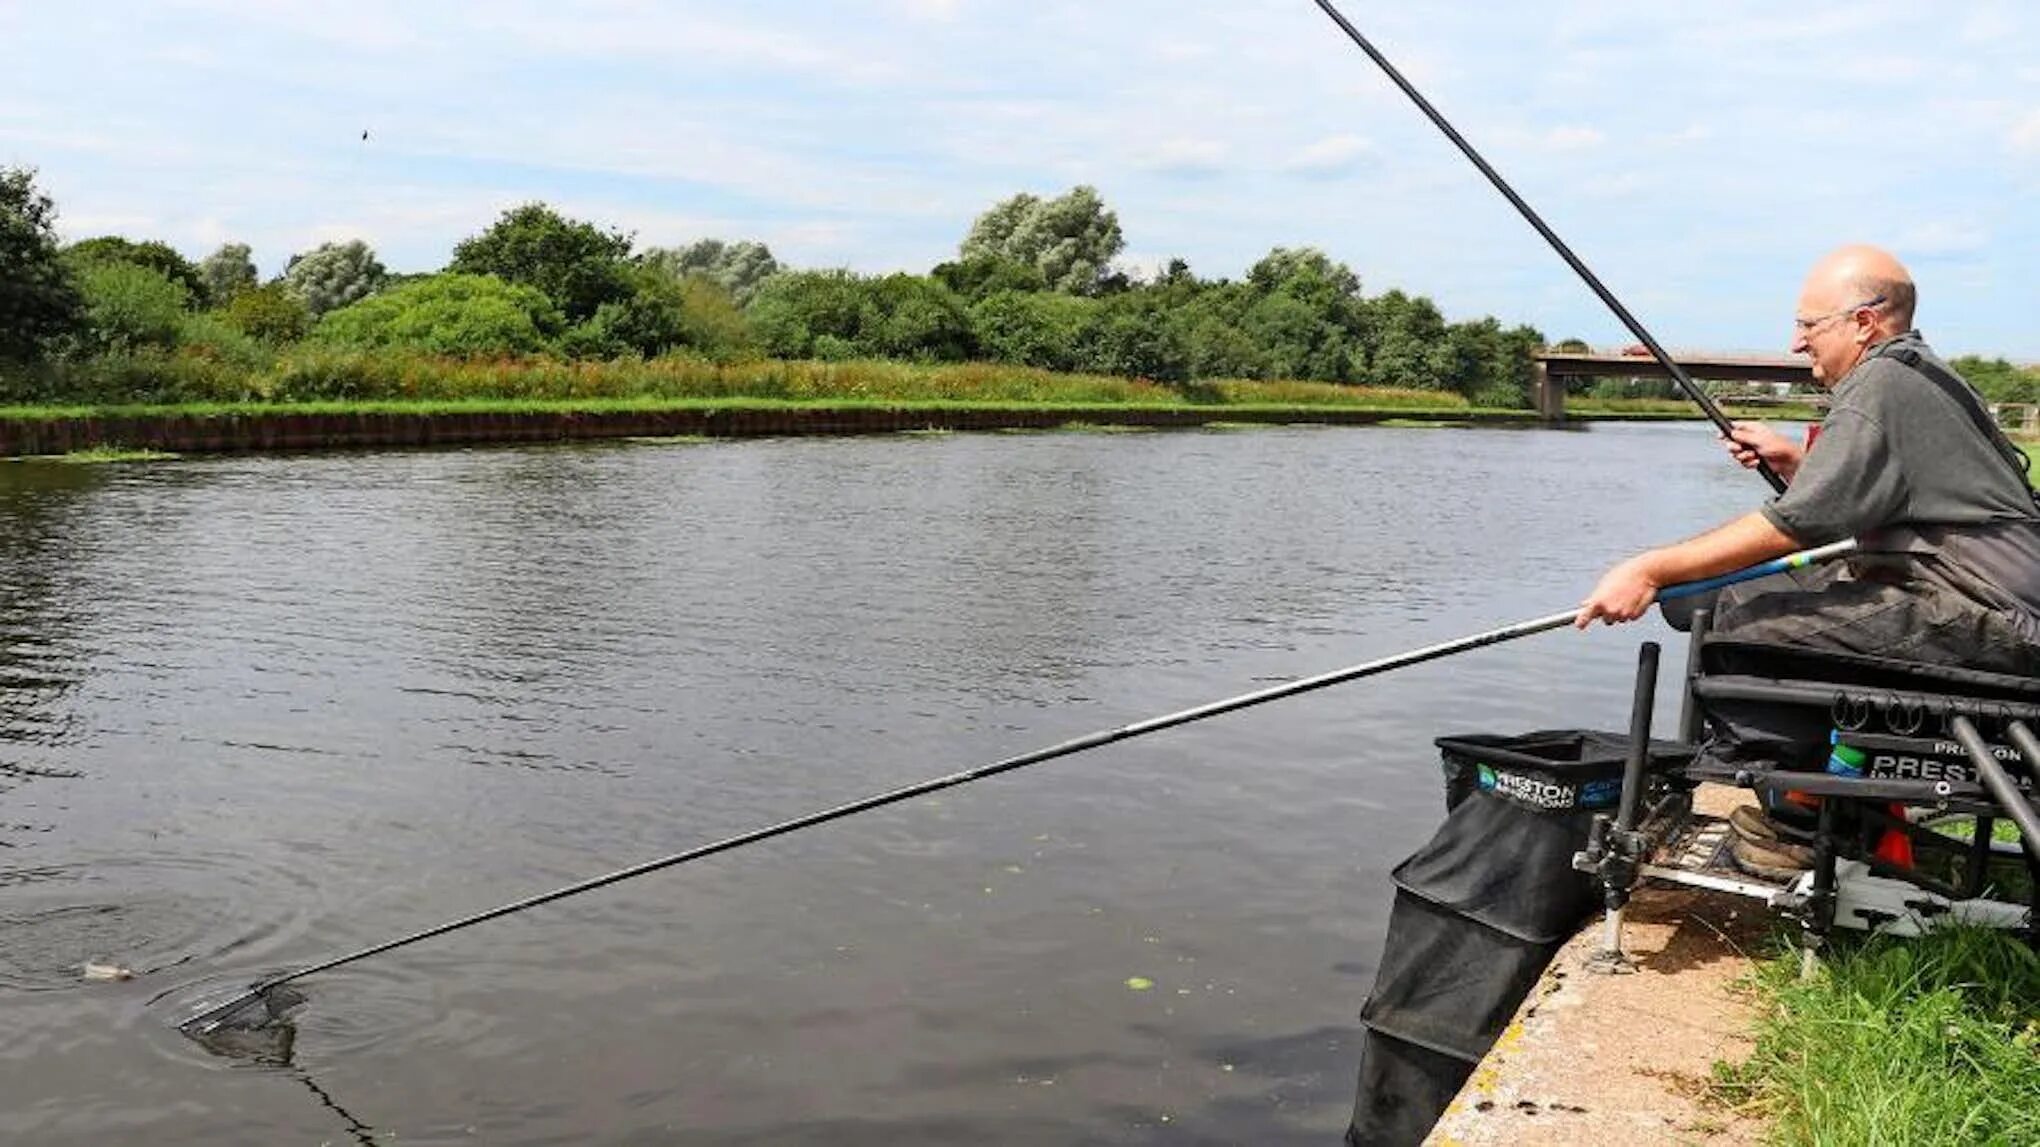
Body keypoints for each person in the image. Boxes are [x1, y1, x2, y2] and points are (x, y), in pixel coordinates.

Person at [1572, 245, 2040, 877]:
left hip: (1996, 617)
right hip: (1976, 601)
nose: (1796, 343)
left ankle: (1804, 820)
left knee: (1746, 632)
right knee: (1732, 600)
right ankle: (1821, 796)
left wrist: (1651, 569)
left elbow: (1794, 528)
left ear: (1865, 322)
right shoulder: (1918, 373)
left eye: (1808, 325)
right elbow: (1893, 501)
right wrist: (1798, 465)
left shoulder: (1882, 382)